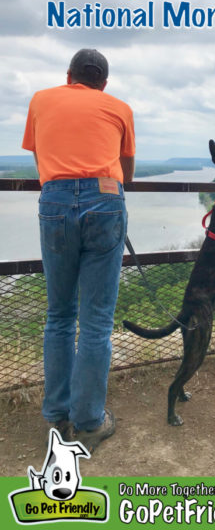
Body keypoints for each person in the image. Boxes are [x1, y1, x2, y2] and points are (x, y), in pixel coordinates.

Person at [22, 48, 135, 452]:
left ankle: (56, 415)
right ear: (104, 83)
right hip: (106, 199)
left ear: (68, 75)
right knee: (96, 321)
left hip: (53, 199)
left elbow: (39, 160)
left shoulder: (40, 99)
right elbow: (128, 173)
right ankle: (89, 420)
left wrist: (63, 190)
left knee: (60, 314)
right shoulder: (119, 107)